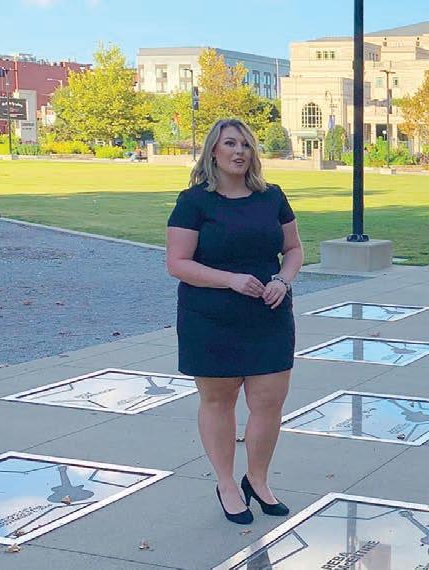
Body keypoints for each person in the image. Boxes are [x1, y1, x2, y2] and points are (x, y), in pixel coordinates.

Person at [165, 118, 303, 524]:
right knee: (218, 402)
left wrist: (282, 280)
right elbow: (177, 263)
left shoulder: (272, 197)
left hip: (268, 314)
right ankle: (226, 484)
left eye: (245, 144)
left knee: (268, 404)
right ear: (213, 150)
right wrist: (230, 280)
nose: (239, 151)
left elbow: (294, 249)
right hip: (211, 318)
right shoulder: (194, 202)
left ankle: (257, 480)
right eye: (230, 143)